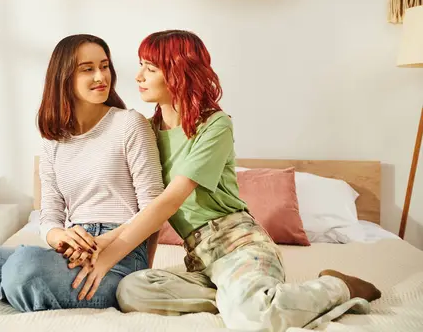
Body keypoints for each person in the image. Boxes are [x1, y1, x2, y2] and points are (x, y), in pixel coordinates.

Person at [65, 30, 382, 332]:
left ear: (178, 72)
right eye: (140, 67)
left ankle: (337, 286)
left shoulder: (214, 126)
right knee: (131, 290)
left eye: (149, 68)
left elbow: (170, 201)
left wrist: (110, 244)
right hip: (199, 260)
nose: (138, 77)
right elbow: (149, 212)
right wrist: (129, 255)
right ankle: (238, 298)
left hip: (239, 246)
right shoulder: (145, 132)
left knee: (255, 319)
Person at [0, 34, 164, 313]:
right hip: (69, 250)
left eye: (104, 66)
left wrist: (104, 245)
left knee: (25, 266)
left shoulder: (129, 124)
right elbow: (50, 214)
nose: (101, 76)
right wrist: (58, 236)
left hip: (120, 258)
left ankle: (21, 284)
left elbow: (154, 211)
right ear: (64, 76)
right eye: (87, 69)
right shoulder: (54, 140)